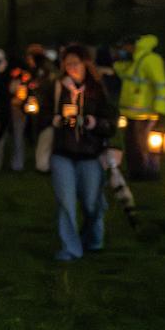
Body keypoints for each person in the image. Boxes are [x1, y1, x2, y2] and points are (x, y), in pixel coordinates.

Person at [48, 45, 117, 262]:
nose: (71, 68)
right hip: (63, 153)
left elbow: (112, 123)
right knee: (66, 203)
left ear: (86, 64)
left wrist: (94, 122)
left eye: (75, 63)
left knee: (91, 203)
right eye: (67, 64)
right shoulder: (58, 88)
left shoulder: (97, 89)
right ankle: (71, 248)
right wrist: (55, 120)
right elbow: (41, 113)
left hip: (90, 154)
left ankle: (92, 239)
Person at [113, 34, 165, 180]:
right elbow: (123, 73)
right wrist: (119, 61)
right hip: (131, 113)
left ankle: (148, 172)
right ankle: (136, 172)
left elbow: (161, 85)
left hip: (146, 113)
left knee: (144, 145)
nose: (121, 50)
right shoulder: (134, 61)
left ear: (132, 45)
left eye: (123, 47)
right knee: (132, 145)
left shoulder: (150, 60)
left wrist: (160, 110)